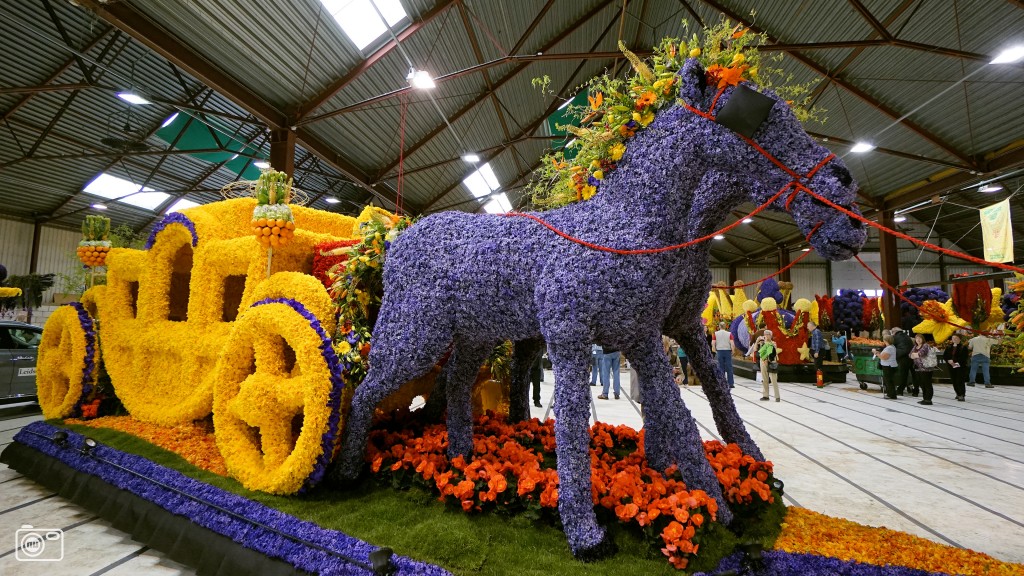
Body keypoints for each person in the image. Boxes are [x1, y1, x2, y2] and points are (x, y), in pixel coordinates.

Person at [750, 330, 780, 402]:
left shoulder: (773, 343)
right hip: (763, 361)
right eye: (765, 334)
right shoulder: (761, 343)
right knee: (764, 379)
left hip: (771, 362)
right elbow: (754, 350)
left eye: (768, 334)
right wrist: (757, 341)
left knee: (773, 379)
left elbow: (773, 353)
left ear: (771, 335)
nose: (766, 335)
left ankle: (777, 396)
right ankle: (765, 395)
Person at [909, 333, 936, 405]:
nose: (918, 340)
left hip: (926, 368)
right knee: (922, 383)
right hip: (918, 368)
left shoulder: (925, 345)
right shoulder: (915, 346)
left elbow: (921, 354)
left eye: (919, 338)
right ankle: (925, 398)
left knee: (927, 383)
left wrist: (915, 355)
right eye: (917, 338)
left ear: (923, 339)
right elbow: (910, 355)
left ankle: (928, 399)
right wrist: (915, 355)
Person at [944, 333, 969, 402]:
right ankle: (957, 393)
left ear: (959, 339)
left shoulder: (963, 347)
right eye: (953, 338)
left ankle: (961, 394)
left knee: (960, 380)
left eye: (956, 338)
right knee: (954, 380)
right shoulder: (949, 347)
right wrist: (949, 361)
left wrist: (955, 362)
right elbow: (945, 356)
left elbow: (964, 358)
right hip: (951, 366)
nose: (954, 339)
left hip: (960, 367)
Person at [873, 333, 899, 399]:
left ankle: (891, 394)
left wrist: (875, 352)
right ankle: (891, 393)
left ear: (886, 340)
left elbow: (884, 357)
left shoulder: (889, 348)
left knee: (889, 381)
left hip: (888, 366)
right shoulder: (891, 347)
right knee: (889, 380)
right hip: (890, 366)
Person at [892, 327, 916, 396]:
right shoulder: (907, 336)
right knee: (914, 374)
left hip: (903, 357)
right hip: (911, 357)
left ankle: (900, 390)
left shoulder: (896, 338)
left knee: (903, 374)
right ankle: (915, 390)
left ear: (894, 332)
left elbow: (890, 346)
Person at [713, 322, 735, 389]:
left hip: (719, 351)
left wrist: (714, 349)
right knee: (729, 367)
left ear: (719, 326)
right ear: (725, 326)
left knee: (720, 367)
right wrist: (733, 350)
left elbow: (713, 342)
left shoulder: (715, 334)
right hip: (727, 351)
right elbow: (732, 343)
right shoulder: (729, 334)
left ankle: (721, 382)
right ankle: (730, 383)